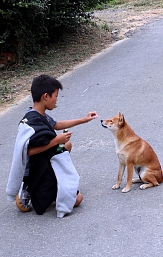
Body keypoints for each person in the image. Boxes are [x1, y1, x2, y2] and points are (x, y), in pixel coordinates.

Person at [6, 74, 97, 217]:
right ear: (46, 96)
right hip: (37, 171)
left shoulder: (37, 114)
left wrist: (84, 119)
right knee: (78, 199)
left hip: (44, 160)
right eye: (55, 95)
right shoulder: (33, 121)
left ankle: (56, 185)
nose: (56, 99)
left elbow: (56, 124)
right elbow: (29, 151)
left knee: (67, 145)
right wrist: (55, 141)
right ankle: (29, 188)